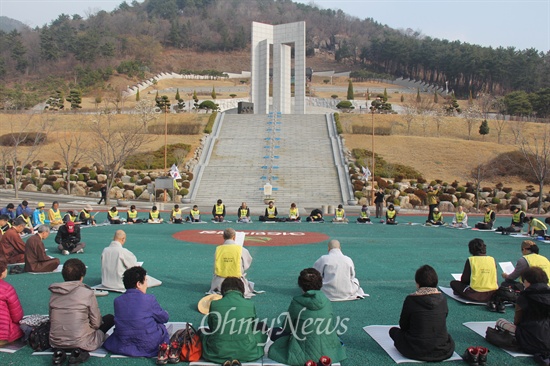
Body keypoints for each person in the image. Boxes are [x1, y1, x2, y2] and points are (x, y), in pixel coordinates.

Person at [268, 268, 347, 365]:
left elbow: (287, 328)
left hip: (302, 348)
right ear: (320, 283)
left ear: (301, 285)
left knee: (274, 332)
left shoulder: (297, 302)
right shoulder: (326, 301)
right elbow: (331, 325)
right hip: (328, 349)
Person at [49, 259, 114, 364]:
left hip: (56, 342)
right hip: (82, 342)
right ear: (82, 276)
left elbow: (51, 319)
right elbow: (96, 323)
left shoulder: (54, 292)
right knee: (110, 318)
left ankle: (60, 352)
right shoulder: (87, 293)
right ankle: (78, 351)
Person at [389, 265, 455, 362]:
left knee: (393, 331)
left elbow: (403, 326)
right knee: (447, 337)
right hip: (442, 350)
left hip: (415, 350)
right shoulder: (443, 299)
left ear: (417, 283)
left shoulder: (411, 299)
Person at [103, 266, 169, 357]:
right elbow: (164, 318)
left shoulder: (117, 300)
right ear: (138, 284)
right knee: (161, 327)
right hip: (148, 343)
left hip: (123, 342)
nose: (146, 284)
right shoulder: (149, 299)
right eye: (145, 281)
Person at [200, 277, 267, 364]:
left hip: (217, 352)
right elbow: (252, 328)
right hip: (247, 352)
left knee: (202, 332)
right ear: (242, 290)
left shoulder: (214, 304)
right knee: (262, 326)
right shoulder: (250, 304)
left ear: (223, 290)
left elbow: (212, 328)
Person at [494, 267, 550, 358]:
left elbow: (517, 321)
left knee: (500, 321)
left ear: (527, 281)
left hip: (530, 339)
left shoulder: (524, 296)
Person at [208, 228, 255, 298]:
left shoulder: (218, 249)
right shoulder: (241, 249)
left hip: (219, 283)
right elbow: (247, 264)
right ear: (234, 237)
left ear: (223, 237)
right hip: (237, 282)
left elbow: (216, 265)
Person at [450, 238, 498, 302]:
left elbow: (465, 280)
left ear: (471, 250)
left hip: (475, 293)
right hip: (493, 293)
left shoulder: (471, 260)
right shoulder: (492, 259)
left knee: (453, 283)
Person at [0, 259, 24, 346]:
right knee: (25, 328)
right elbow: (17, 316)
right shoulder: (7, 289)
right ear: (3, 272)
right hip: (3, 335)